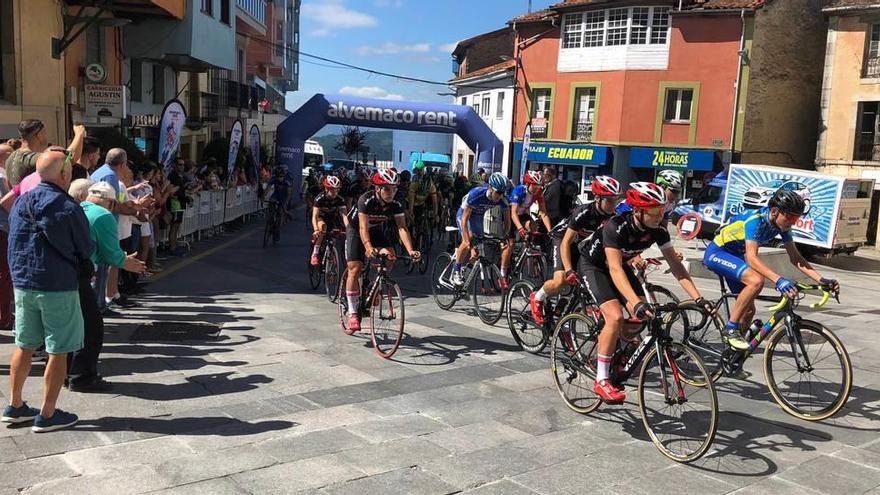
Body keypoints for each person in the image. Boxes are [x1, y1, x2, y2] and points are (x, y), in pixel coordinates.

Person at [578, 182, 712, 403]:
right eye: (654, 211)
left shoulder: (658, 231)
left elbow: (677, 268)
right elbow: (613, 268)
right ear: (638, 211)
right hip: (595, 266)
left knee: (640, 319)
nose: (659, 216)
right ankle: (601, 379)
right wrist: (635, 303)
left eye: (661, 210)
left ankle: (617, 347)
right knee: (615, 316)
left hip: (621, 265)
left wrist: (698, 297)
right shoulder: (616, 226)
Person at [2, 148, 95, 432]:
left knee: (25, 344)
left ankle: (15, 405)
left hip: (24, 283)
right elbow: (86, 247)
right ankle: (48, 413)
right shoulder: (67, 207)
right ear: (65, 174)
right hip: (56, 285)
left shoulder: (21, 202)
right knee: (59, 349)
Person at [703, 189, 838, 349]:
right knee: (756, 281)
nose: (793, 222)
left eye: (796, 218)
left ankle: (733, 354)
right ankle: (731, 329)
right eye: (790, 217)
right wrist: (779, 280)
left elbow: (796, 258)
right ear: (774, 211)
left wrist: (821, 280)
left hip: (735, 255)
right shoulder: (756, 221)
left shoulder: (783, 227)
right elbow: (752, 258)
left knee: (748, 312)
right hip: (718, 252)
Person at [71, 182, 146, 391]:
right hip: (86, 273)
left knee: (71, 325)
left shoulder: (76, 208)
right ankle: (82, 376)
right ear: (111, 202)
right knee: (91, 327)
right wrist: (126, 261)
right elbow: (111, 253)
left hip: (64, 274)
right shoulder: (103, 216)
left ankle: (68, 370)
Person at [530, 176, 621, 325]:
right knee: (561, 280)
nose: (613, 204)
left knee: (586, 279)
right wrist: (569, 270)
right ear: (597, 198)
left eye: (615, 200)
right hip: (561, 239)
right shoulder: (584, 212)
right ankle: (537, 297)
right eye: (609, 200)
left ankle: (564, 317)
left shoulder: (612, 216)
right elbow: (566, 242)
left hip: (580, 243)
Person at [344, 169, 420, 330]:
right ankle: (352, 311)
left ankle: (374, 285)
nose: (391, 192)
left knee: (390, 257)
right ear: (377, 188)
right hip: (356, 230)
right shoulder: (366, 200)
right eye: (386, 188)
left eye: (394, 188)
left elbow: (402, 228)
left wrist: (410, 250)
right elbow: (363, 228)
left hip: (375, 229)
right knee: (355, 267)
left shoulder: (397, 203)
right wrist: (368, 247)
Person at [450, 172, 511, 287]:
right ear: (490, 188)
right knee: (468, 240)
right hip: (464, 215)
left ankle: (465, 274)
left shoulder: (502, 200)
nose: (500, 196)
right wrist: (467, 240)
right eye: (498, 192)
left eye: (503, 193)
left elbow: (507, 221)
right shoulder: (477, 194)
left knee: (478, 250)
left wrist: (504, 236)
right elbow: (464, 220)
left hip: (478, 217)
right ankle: (456, 271)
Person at [501, 170, 553, 287]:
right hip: (509, 215)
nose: (537, 188)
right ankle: (502, 273)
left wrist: (550, 230)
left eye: (539, 186)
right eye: (535, 185)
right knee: (511, 244)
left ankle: (527, 249)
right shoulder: (519, 190)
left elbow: (543, 212)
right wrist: (520, 228)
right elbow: (513, 213)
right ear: (529, 184)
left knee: (532, 225)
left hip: (522, 214)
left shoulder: (538, 193)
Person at [7, 120, 86, 187]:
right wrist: (79, 135)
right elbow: (69, 159)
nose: (46, 136)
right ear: (39, 135)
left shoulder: (11, 157)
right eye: (44, 133)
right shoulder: (32, 158)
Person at [310, 175, 348, 266]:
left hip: (332, 218)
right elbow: (314, 216)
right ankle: (315, 253)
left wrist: (348, 228)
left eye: (337, 189)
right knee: (323, 227)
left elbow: (345, 216)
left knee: (338, 232)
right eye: (332, 189)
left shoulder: (340, 200)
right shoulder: (319, 198)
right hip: (320, 218)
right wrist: (316, 230)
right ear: (326, 189)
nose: (335, 192)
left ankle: (332, 255)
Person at [407, 161, 439, 228]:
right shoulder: (414, 184)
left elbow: (435, 202)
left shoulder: (431, 186)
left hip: (421, 203)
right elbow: (411, 201)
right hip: (412, 202)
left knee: (421, 218)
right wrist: (410, 213)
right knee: (410, 221)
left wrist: (435, 214)